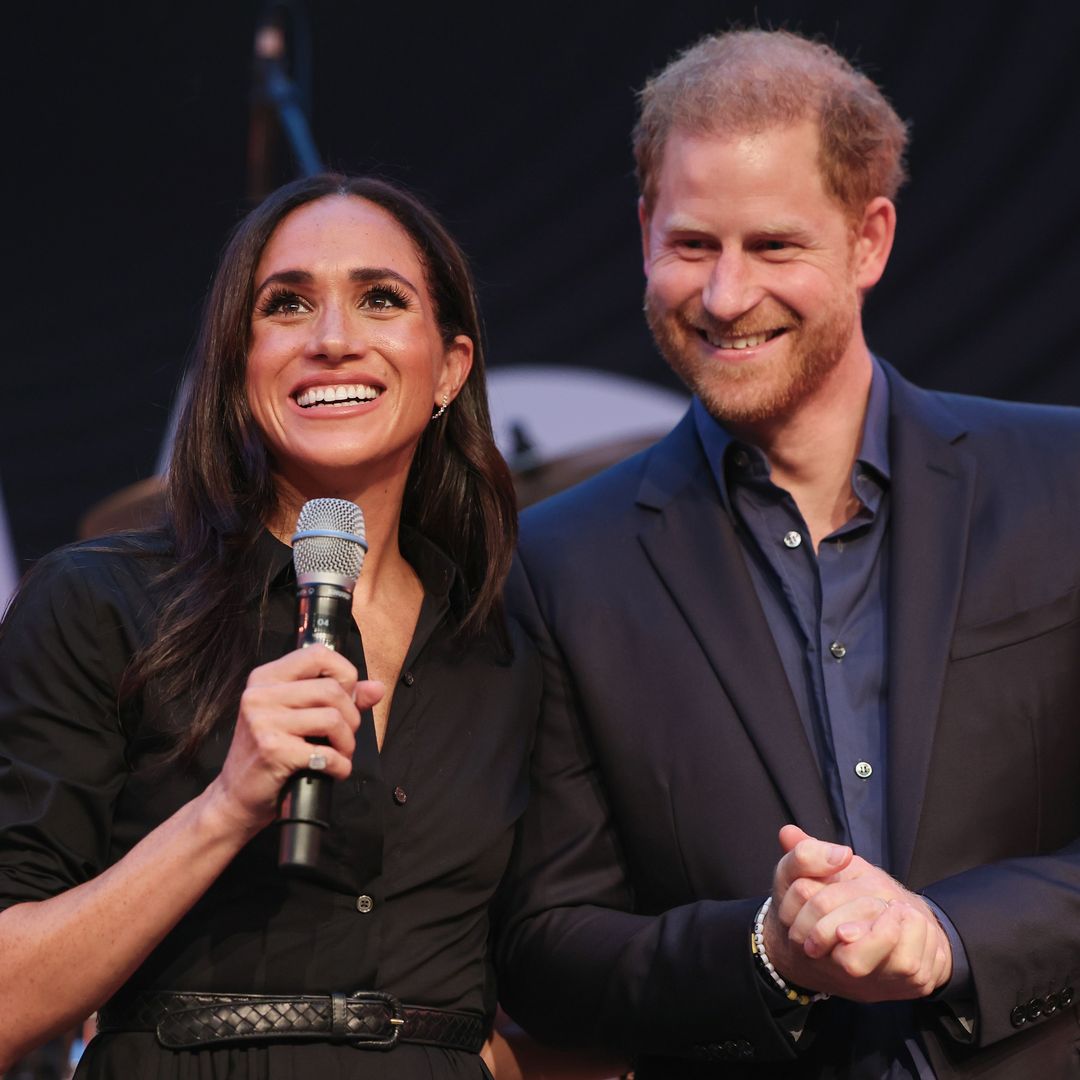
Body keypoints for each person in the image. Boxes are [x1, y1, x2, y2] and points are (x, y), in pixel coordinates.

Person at [497, 28, 1080, 1080]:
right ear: (642, 234)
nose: (724, 297)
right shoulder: (559, 563)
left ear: (869, 241)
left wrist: (949, 934)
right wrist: (765, 948)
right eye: (690, 246)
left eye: (773, 247)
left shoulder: (1064, 481)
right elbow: (544, 950)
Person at [0, 173, 542, 1078]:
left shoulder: (506, 639)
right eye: (286, 305)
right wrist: (224, 809)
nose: (333, 340)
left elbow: (536, 969)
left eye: (380, 299)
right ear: (237, 363)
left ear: (450, 367)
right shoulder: (98, 605)